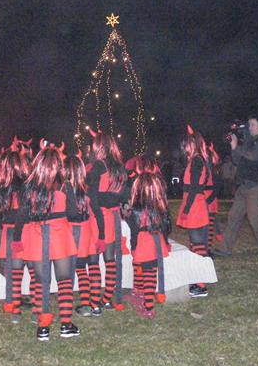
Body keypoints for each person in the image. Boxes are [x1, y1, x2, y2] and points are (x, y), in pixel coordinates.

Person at [14, 141, 80, 341]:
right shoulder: (65, 185)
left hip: (36, 236)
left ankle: (43, 328)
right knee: (65, 281)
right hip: (60, 235)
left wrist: (17, 239)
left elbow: (22, 215)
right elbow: (73, 213)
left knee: (41, 283)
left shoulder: (28, 186)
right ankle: (66, 325)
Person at [212, 114, 258, 257]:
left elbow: (253, 156)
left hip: (256, 185)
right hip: (244, 185)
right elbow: (236, 160)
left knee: (254, 218)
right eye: (249, 124)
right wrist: (233, 147)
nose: (249, 128)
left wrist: (237, 146)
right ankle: (224, 249)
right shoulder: (249, 141)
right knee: (233, 217)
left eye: (252, 125)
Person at [0, 149, 33, 323]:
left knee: (11, 271)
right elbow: (24, 210)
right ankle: (33, 306)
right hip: (25, 229)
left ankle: (13, 306)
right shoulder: (26, 184)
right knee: (31, 270)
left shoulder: (4, 187)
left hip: (10, 231)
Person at [86, 130, 129, 314]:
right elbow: (124, 195)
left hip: (98, 217)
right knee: (110, 259)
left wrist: (100, 226)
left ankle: (95, 303)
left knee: (94, 260)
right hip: (113, 216)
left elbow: (93, 198)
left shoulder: (98, 166)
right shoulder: (120, 167)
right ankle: (107, 299)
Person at [125, 170, 171, 318]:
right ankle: (145, 300)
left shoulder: (135, 210)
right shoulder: (161, 207)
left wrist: (133, 247)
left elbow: (134, 231)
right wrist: (166, 242)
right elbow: (165, 226)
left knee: (146, 272)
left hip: (143, 242)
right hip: (157, 240)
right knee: (150, 272)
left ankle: (147, 304)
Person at [176, 125, 210, 297]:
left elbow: (195, 187)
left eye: (187, 144)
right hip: (195, 203)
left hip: (195, 205)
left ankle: (201, 285)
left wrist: (186, 209)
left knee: (198, 245)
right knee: (196, 244)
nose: (184, 147)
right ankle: (198, 281)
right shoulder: (196, 160)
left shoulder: (197, 161)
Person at [63, 152, 98, 317]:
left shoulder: (66, 188)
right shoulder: (86, 187)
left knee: (70, 268)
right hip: (86, 228)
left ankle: (73, 304)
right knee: (81, 267)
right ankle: (88, 304)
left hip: (72, 229)